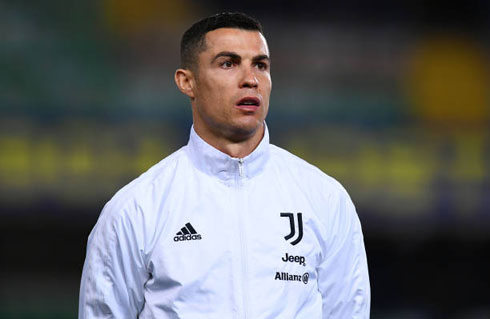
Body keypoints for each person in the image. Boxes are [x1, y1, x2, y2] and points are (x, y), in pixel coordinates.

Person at [79, 12, 370, 318]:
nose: (250, 79)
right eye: (228, 63)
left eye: (260, 65)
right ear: (187, 82)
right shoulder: (135, 209)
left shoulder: (325, 199)